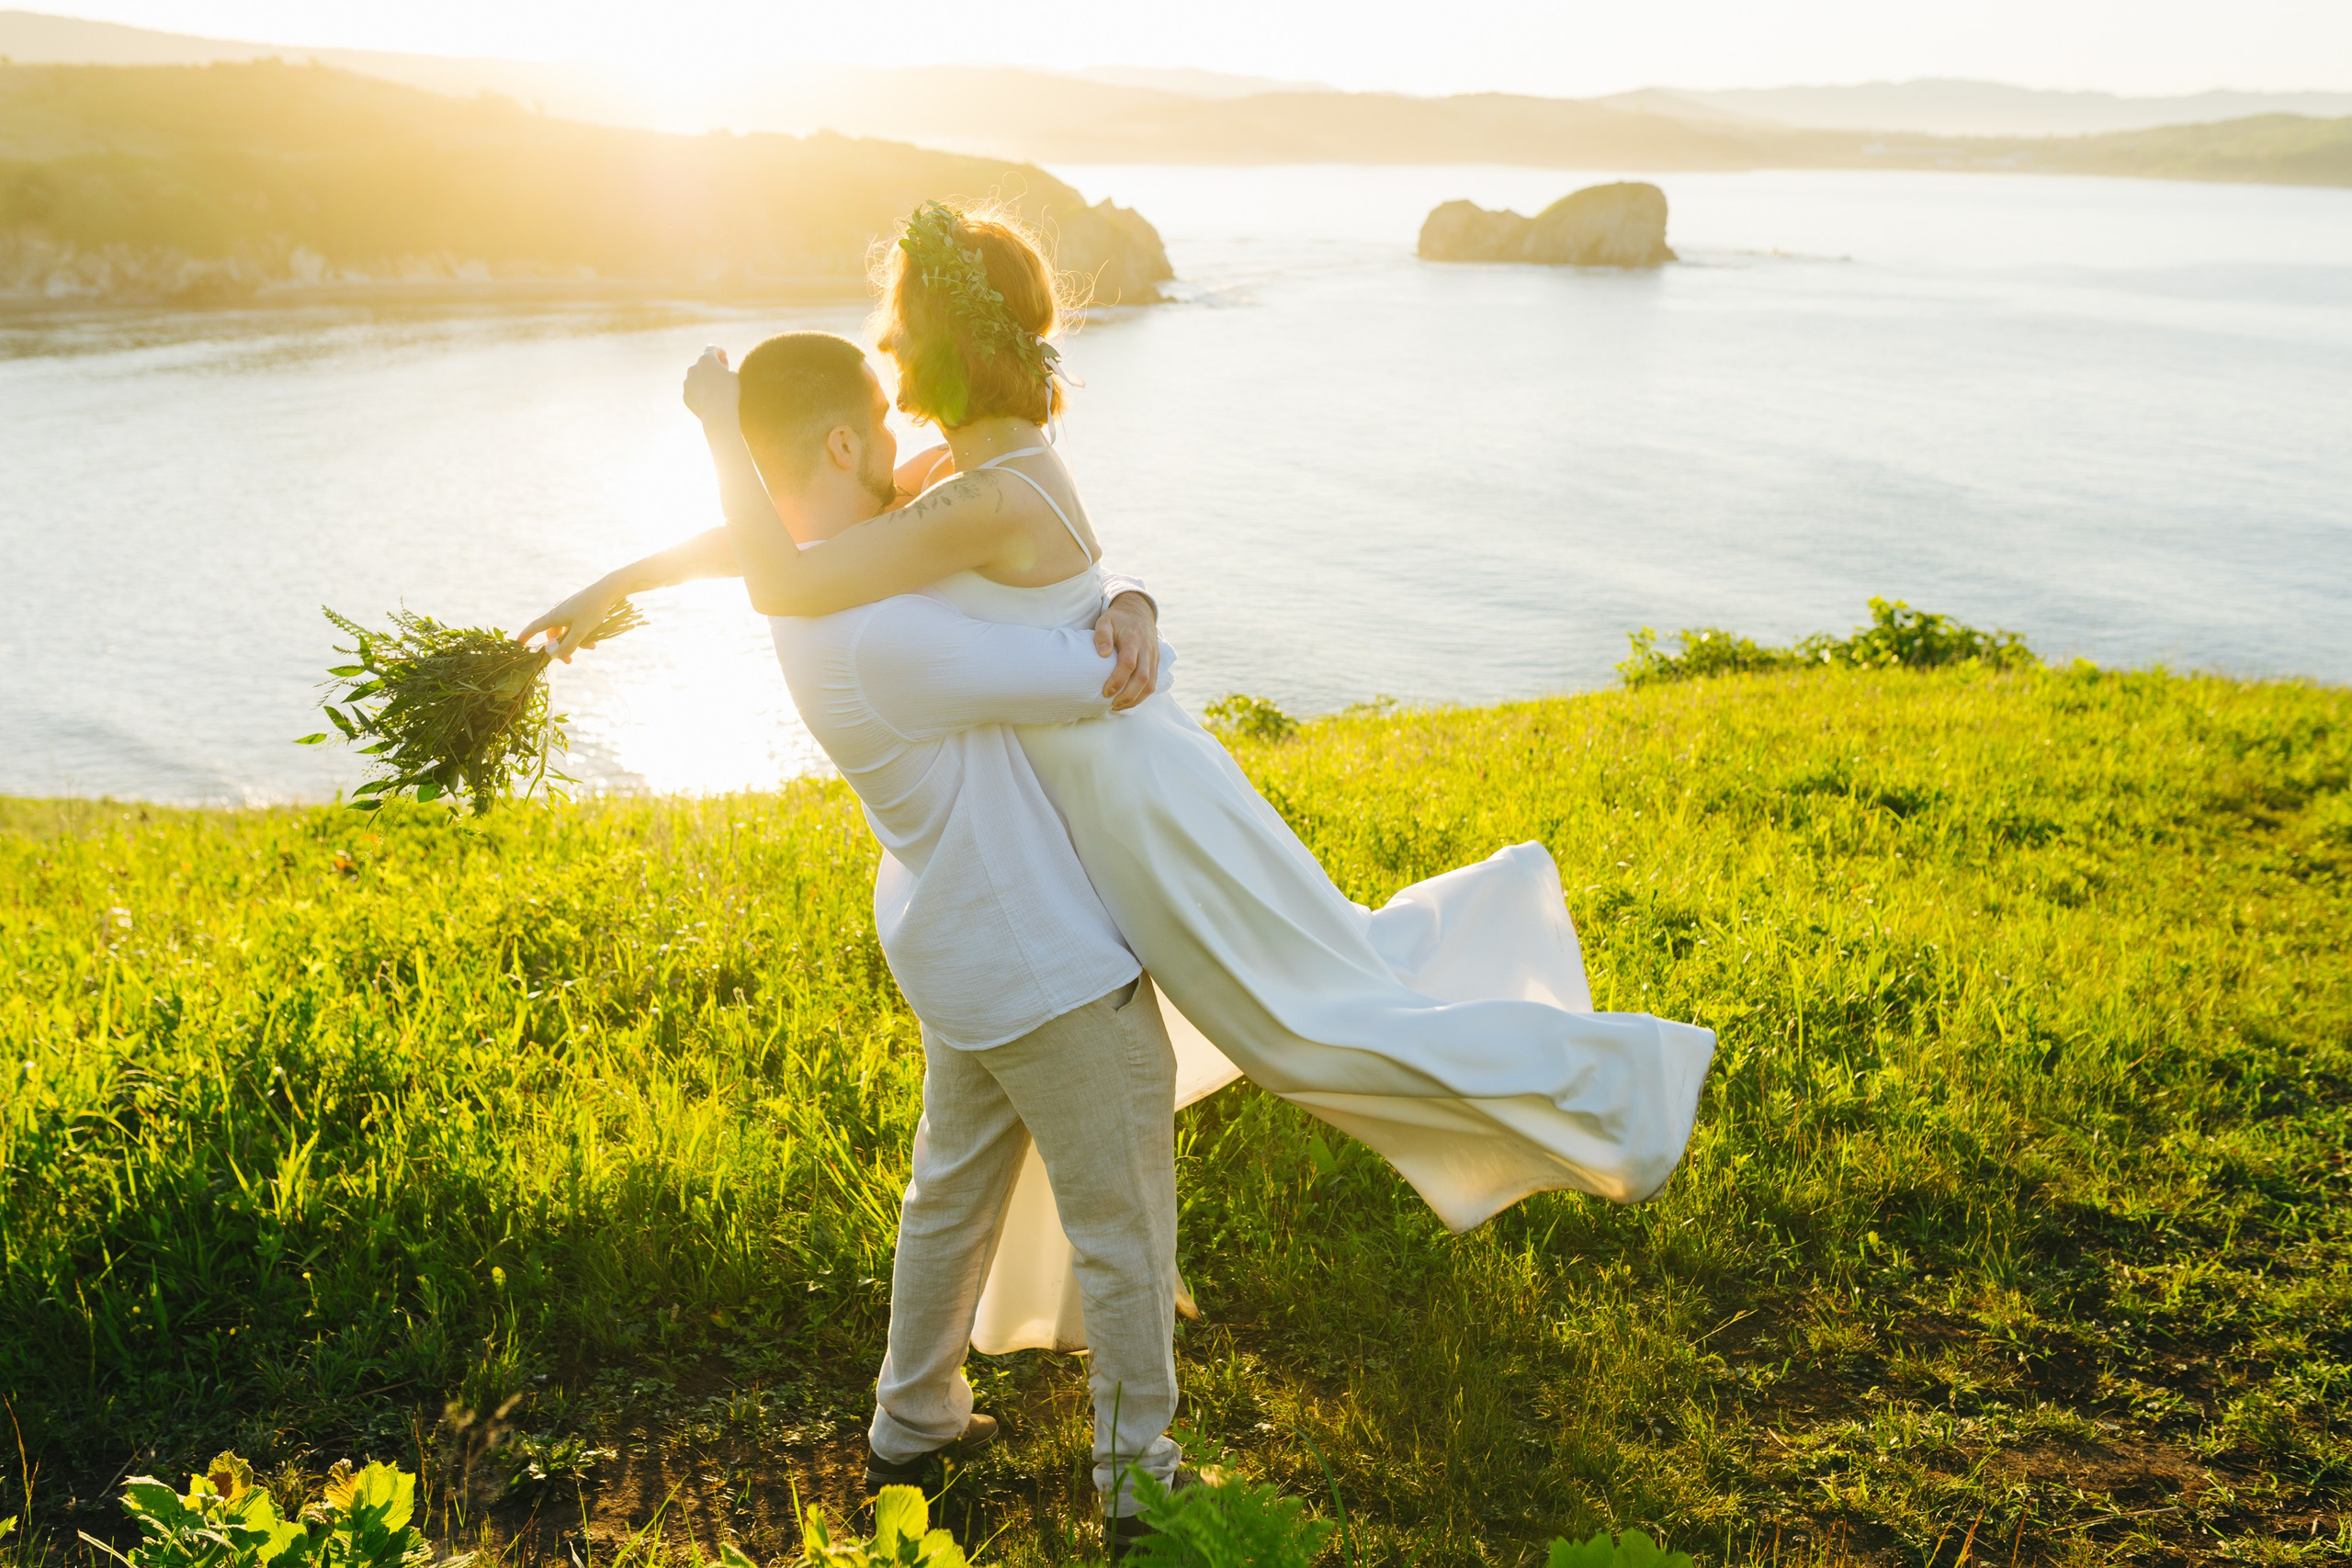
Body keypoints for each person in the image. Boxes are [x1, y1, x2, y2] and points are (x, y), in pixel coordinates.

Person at [522, 330, 1196, 1556]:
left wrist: (627, 569)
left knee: (949, 1194)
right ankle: (1140, 1485)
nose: (903, 445)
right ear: (842, 443)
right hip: (1046, 961)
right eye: (882, 427)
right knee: (1126, 1224)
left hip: (958, 944)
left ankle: (912, 1421)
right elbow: (1093, 665)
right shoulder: (882, 632)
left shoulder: (824, 584)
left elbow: (757, 548)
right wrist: (1135, 604)